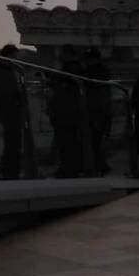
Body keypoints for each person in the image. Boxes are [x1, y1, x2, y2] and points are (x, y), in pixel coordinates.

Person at [48, 44, 85, 177]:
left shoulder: (70, 70)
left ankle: (69, 169)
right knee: (70, 142)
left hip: (66, 113)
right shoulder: (75, 69)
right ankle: (72, 168)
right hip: (69, 112)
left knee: (67, 143)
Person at [0, 44, 23, 180]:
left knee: (14, 143)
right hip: (8, 112)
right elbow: (3, 94)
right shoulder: (1, 72)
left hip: (10, 112)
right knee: (12, 143)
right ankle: (10, 173)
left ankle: (11, 171)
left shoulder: (9, 71)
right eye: (15, 57)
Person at [83, 47, 112, 176]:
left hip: (95, 111)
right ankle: (99, 164)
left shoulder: (91, 73)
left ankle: (96, 165)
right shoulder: (103, 71)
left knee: (95, 141)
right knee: (98, 140)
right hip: (100, 110)